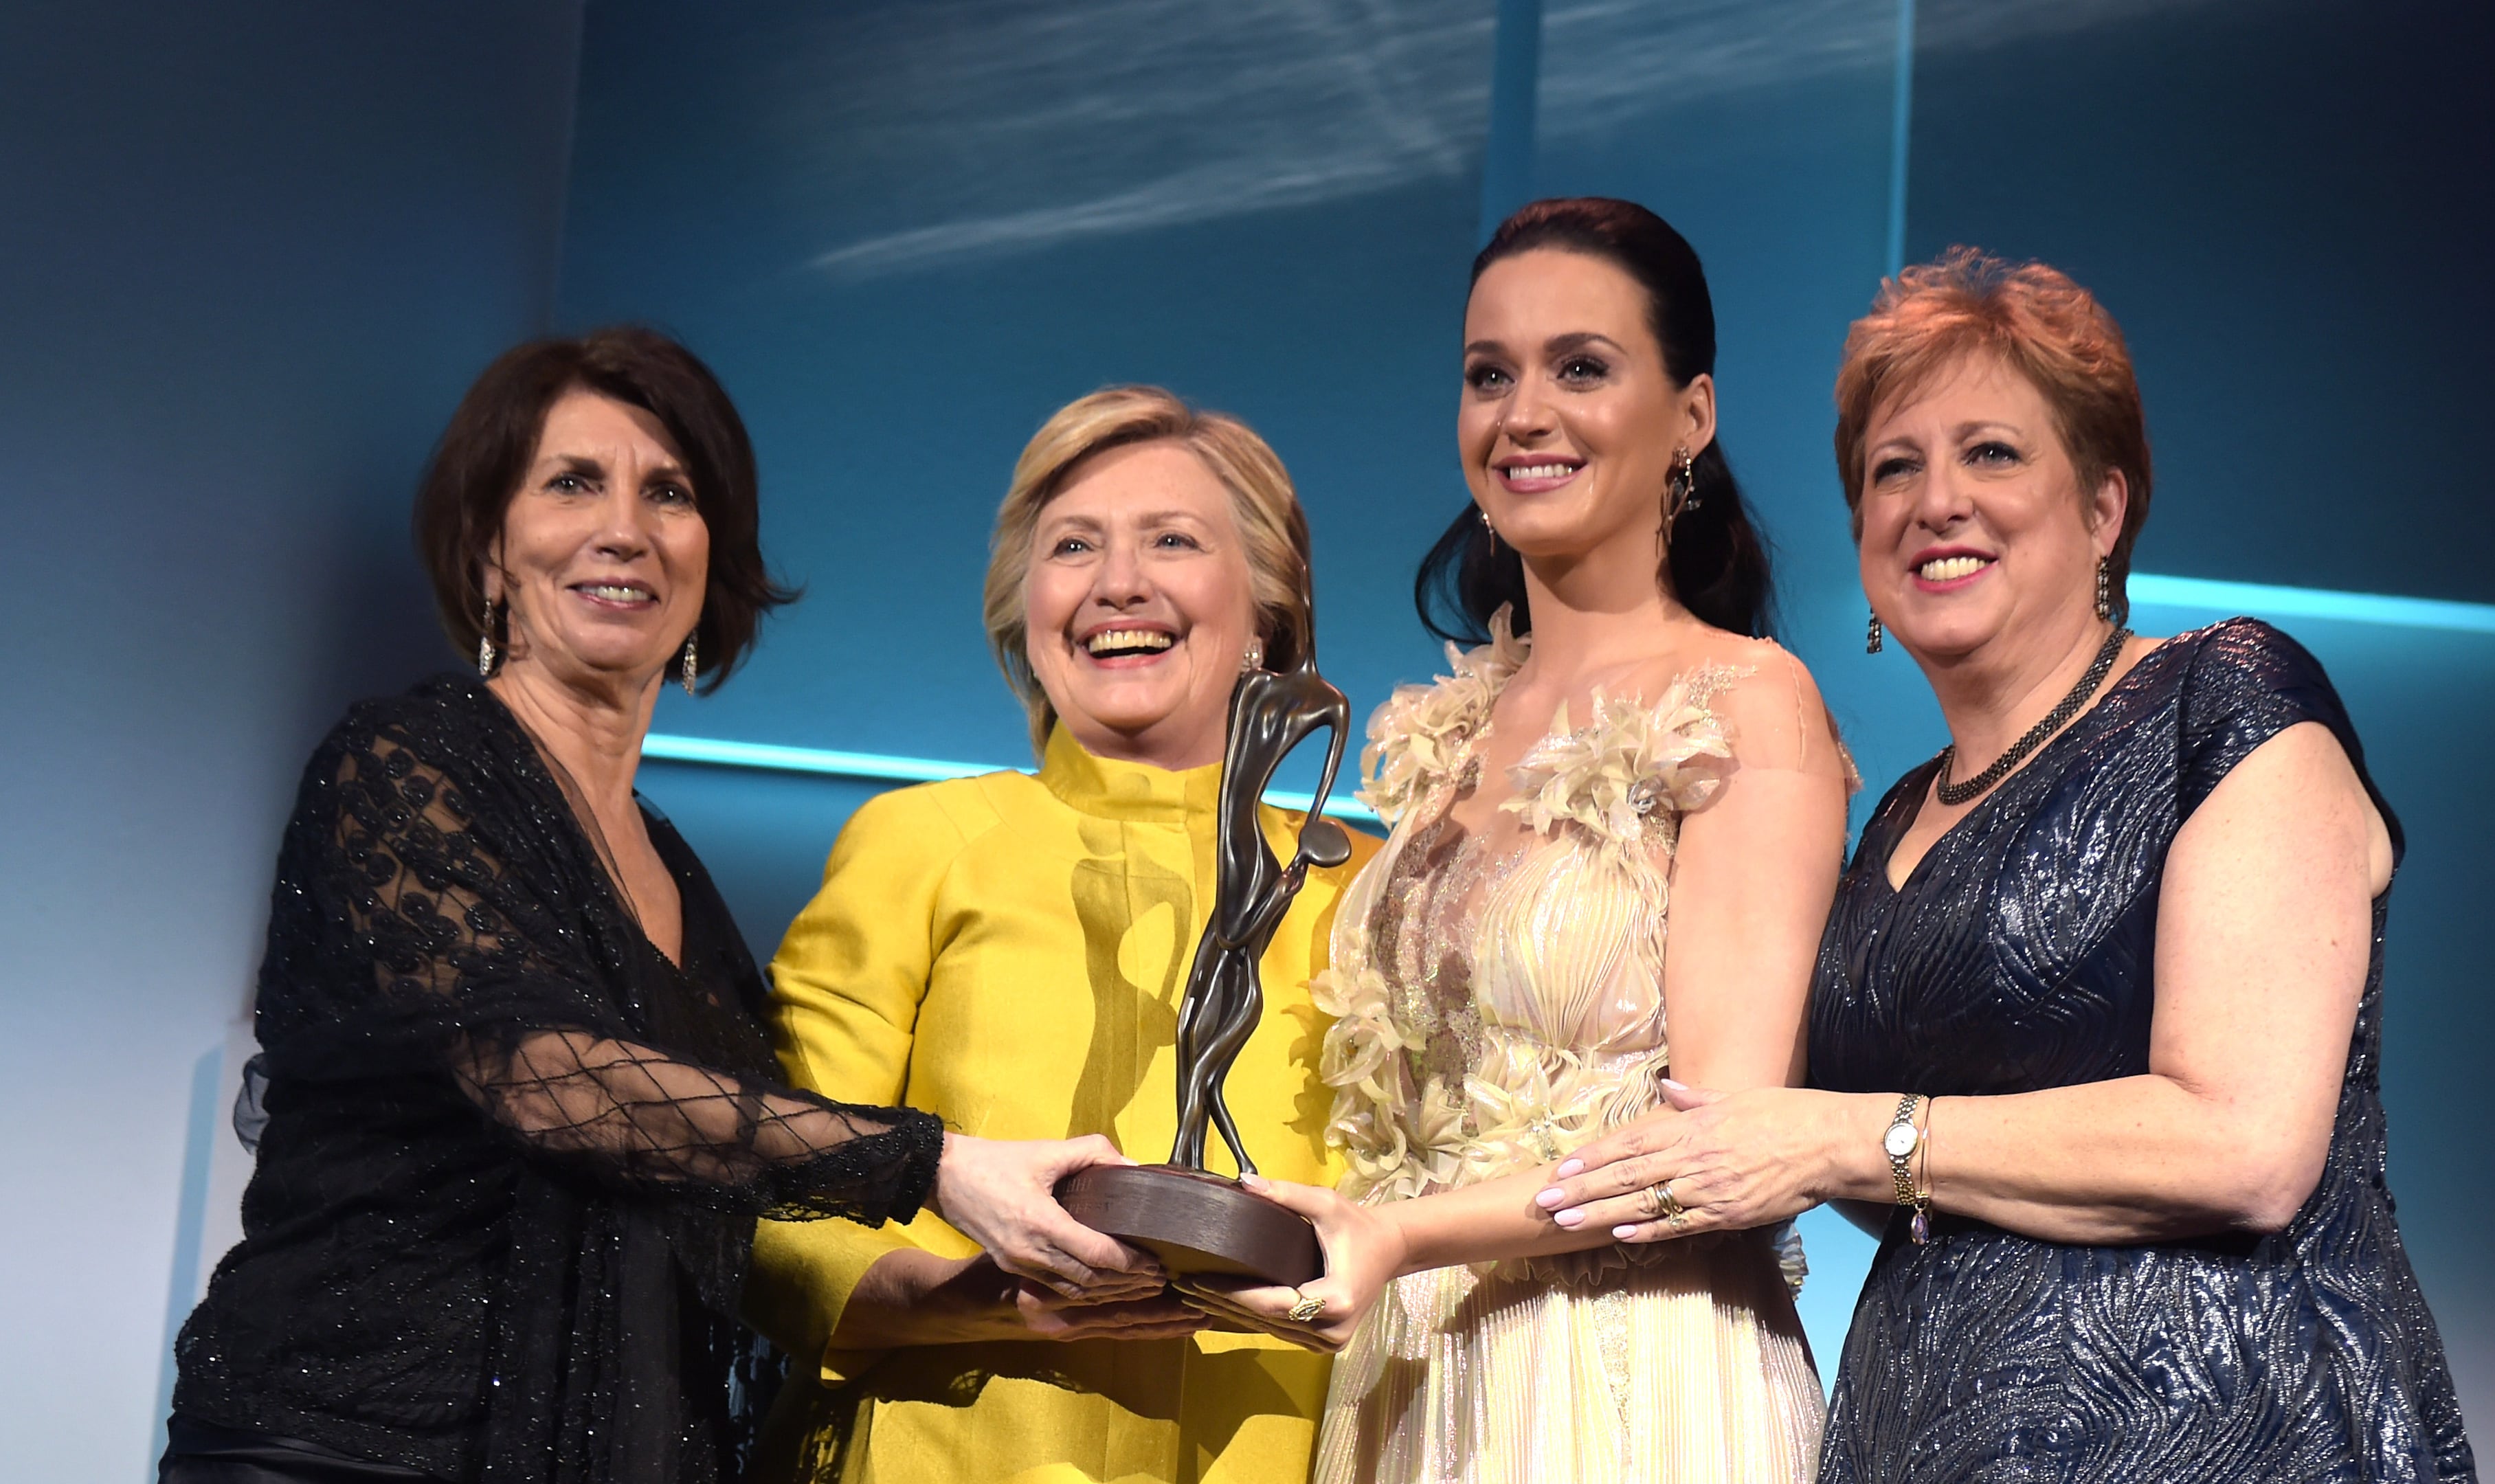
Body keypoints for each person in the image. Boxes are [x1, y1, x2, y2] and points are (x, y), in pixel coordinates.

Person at [1538, 250, 2475, 1481]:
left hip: (2219, 1431)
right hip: (1915, 1436)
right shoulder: (1889, 827)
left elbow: (2243, 1144)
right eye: (1894, 469)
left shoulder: (2224, 700)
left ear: (2102, 508)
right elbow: (1861, 1168)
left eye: (1992, 453)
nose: (1937, 502)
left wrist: (1843, 1138)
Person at [161, 328, 1133, 1484]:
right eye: (573, 482)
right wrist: (935, 1164)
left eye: (668, 492)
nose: (624, 527)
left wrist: (995, 1298)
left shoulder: (686, 885)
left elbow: (728, 1205)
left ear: (709, 563)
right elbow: (548, 1079)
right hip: (336, 1451)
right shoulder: (403, 763)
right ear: (487, 549)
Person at [1191, 199, 1846, 1483]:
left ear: (1692, 417)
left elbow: (1714, 1153)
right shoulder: (1442, 727)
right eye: (1490, 374)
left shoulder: (1745, 703)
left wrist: (1399, 1237)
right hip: (1411, 1368)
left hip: (1629, 1373)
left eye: (1581, 368)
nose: (1522, 414)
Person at [739, 386, 1380, 1484]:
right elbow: (778, 1202)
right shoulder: (922, 840)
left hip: (1269, 1448)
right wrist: (987, 1305)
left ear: (1267, 611)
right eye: (1073, 546)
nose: (1117, 583)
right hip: (955, 1447)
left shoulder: (1366, 886)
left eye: (1172, 541)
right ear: (1025, 611)